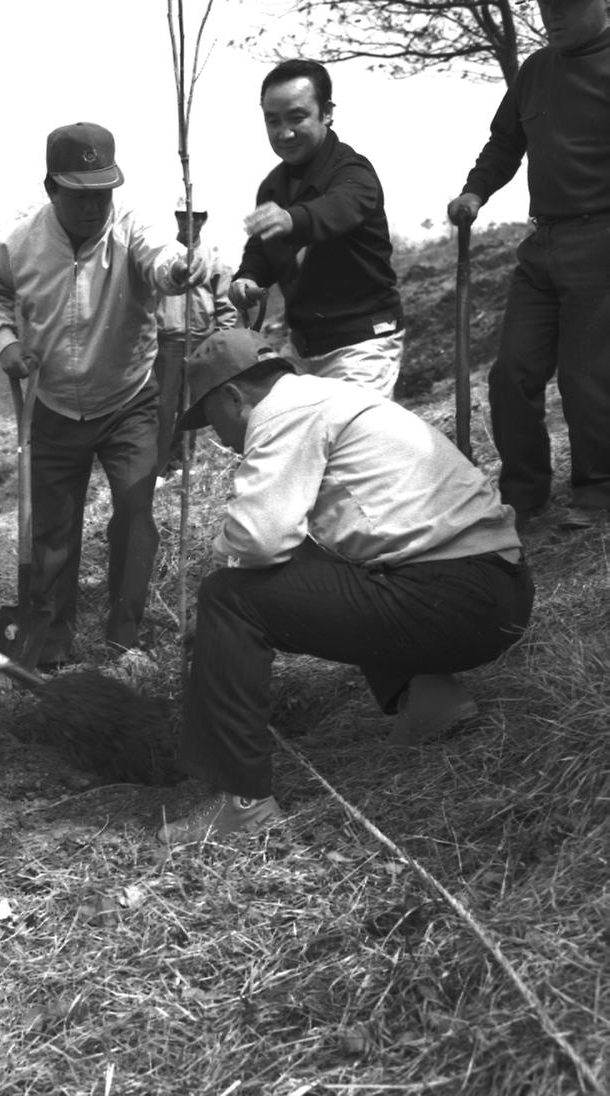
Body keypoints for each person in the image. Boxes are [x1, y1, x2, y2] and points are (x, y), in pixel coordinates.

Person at [157, 328, 534, 845]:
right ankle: (429, 696)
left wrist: (218, 602)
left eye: (211, 419)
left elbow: (259, 537)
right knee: (319, 552)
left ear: (232, 396)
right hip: (495, 586)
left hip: (456, 596)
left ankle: (241, 800)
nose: (219, 438)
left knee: (227, 597)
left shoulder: (283, 413)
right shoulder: (327, 396)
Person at [0, 122, 205, 662]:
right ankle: (51, 646)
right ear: (52, 187)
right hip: (52, 403)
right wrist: (7, 343)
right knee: (52, 530)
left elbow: (161, 261)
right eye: (79, 194)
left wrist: (179, 270)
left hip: (128, 398)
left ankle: (123, 638)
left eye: (102, 192)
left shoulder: (131, 230)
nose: (91, 206)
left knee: (133, 507)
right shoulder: (18, 242)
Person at [447, 0, 610, 531]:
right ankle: (523, 495)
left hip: (601, 240)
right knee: (512, 372)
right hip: (541, 242)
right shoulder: (535, 70)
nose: (552, 15)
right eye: (545, 5)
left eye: (566, 4)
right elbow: (505, 142)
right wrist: (475, 192)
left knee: (587, 376)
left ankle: (597, 490)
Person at [230, 59, 403, 398]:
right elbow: (261, 251)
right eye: (272, 121)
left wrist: (292, 220)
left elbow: (337, 210)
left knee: (354, 438)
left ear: (326, 112)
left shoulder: (353, 173)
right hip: (303, 348)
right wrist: (247, 278)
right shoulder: (272, 186)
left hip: (363, 344)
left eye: (297, 118)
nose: (284, 133)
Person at [153, 203, 237, 483]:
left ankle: (181, 463)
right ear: (177, 217)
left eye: (198, 217)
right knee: (164, 407)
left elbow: (225, 305)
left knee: (191, 406)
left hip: (201, 340)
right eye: (185, 216)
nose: (191, 222)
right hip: (169, 340)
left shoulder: (215, 257)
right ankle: (159, 467)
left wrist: (220, 340)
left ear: (204, 219)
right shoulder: (164, 256)